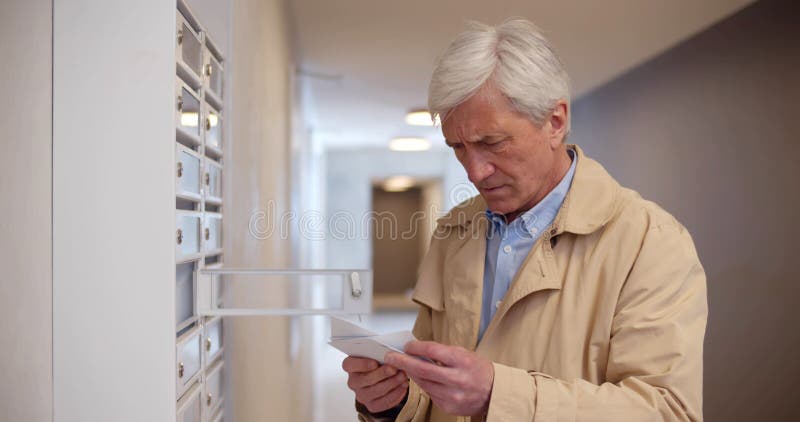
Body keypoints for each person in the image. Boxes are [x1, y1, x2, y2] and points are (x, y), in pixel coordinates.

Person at [342, 18, 707, 422]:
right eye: (458, 147)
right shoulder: (452, 232)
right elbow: (432, 391)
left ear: (555, 122)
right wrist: (394, 401)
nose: (474, 172)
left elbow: (668, 412)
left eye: (491, 142)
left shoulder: (650, 243)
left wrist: (498, 396)